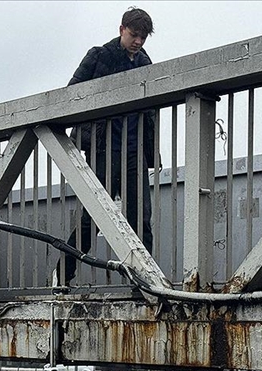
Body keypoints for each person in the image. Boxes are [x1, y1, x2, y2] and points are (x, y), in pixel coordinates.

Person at [56, 7, 157, 287]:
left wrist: (153, 150)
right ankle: (63, 274)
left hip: (135, 152)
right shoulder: (99, 55)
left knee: (141, 221)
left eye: (143, 37)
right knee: (93, 219)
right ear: (121, 29)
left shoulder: (146, 63)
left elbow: (150, 113)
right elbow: (71, 95)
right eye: (134, 35)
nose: (138, 41)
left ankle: (145, 282)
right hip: (103, 149)